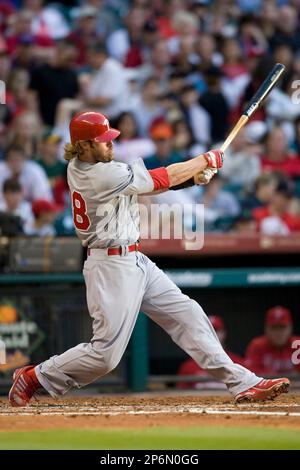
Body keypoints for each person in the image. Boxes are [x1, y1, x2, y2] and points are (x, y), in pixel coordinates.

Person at [8, 111, 289, 407]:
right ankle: (35, 377)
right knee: (106, 355)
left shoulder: (99, 166)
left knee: (188, 313)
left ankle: (243, 382)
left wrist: (193, 179)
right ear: (84, 146)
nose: (110, 144)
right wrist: (204, 160)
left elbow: (155, 183)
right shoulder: (96, 174)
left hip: (135, 258)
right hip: (111, 266)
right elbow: (160, 178)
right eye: (102, 141)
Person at [177, 315, 245, 389]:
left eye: (215, 331)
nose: (211, 335)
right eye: (206, 331)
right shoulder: (188, 366)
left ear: (223, 333)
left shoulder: (238, 362)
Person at [245, 306, 300, 376]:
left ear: (290, 328)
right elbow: (252, 374)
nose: (278, 333)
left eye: (282, 327)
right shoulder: (257, 345)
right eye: (274, 328)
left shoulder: (297, 344)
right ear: (266, 329)